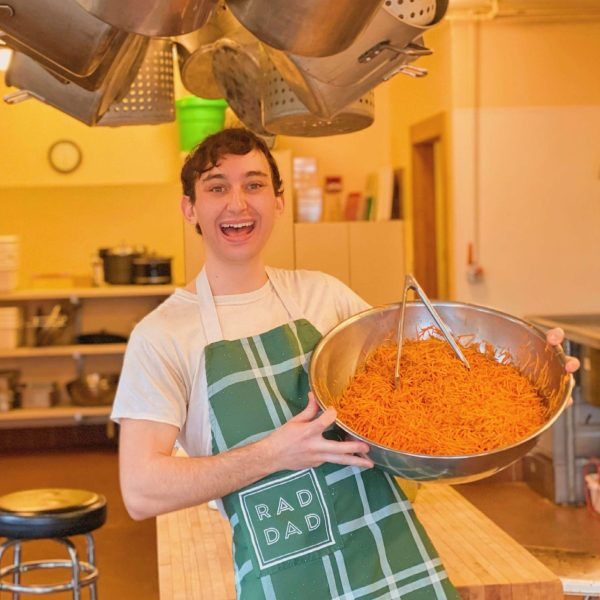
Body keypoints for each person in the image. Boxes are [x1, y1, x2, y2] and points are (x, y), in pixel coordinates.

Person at [112, 128, 579, 599]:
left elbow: (426, 382)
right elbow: (141, 489)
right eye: (217, 187)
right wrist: (274, 453)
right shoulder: (163, 335)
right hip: (284, 570)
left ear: (278, 201)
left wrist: (528, 366)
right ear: (189, 208)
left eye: (253, 185)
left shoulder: (324, 297)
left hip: (388, 554)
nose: (237, 203)